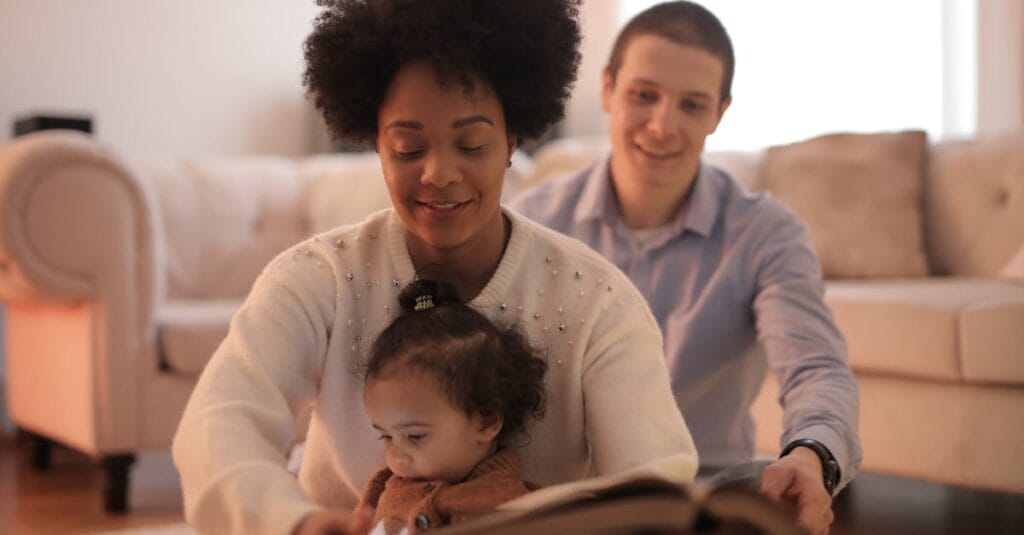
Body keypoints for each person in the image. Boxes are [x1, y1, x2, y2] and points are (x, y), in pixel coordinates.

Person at [172, 1, 698, 534]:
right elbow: (220, 420)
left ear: (512, 141)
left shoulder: (598, 300)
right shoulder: (319, 278)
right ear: (375, 144)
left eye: (471, 144)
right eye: (407, 148)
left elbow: (654, 478)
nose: (440, 174)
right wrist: (296, 523)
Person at [509, 3, 862, 535]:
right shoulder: (534, 224)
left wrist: (811, 455)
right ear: (607, 90)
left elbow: (816, 367)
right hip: (564, 501)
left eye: (692, 104)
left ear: (719, 113)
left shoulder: (766, 233)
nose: (662, 125)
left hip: (708, 499)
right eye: (643, 95)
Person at [358, 279, 546, 534]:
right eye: (386, 436)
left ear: (486, 422)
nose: (395, 457)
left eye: (415, 436)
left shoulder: (505, 505)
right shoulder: (386, 486)